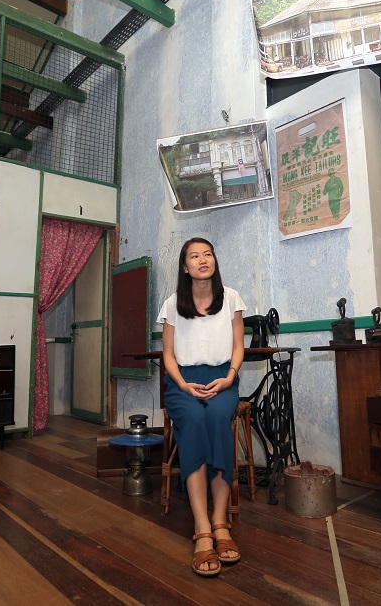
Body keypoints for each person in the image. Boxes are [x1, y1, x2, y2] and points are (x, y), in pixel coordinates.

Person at [157, 237, 246, 577]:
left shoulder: (231, 298)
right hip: (183, 382)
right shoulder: (172, 305)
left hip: (223, 378)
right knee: (194, 419)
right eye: (194, 256)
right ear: (185, 267)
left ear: (214, 261)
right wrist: (182, 384)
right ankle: (202, 527)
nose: (202, 260)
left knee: (219, 417)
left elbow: (238, 346)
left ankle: (220, 521)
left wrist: (229, 377)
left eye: (207, 254)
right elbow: (168, 354)